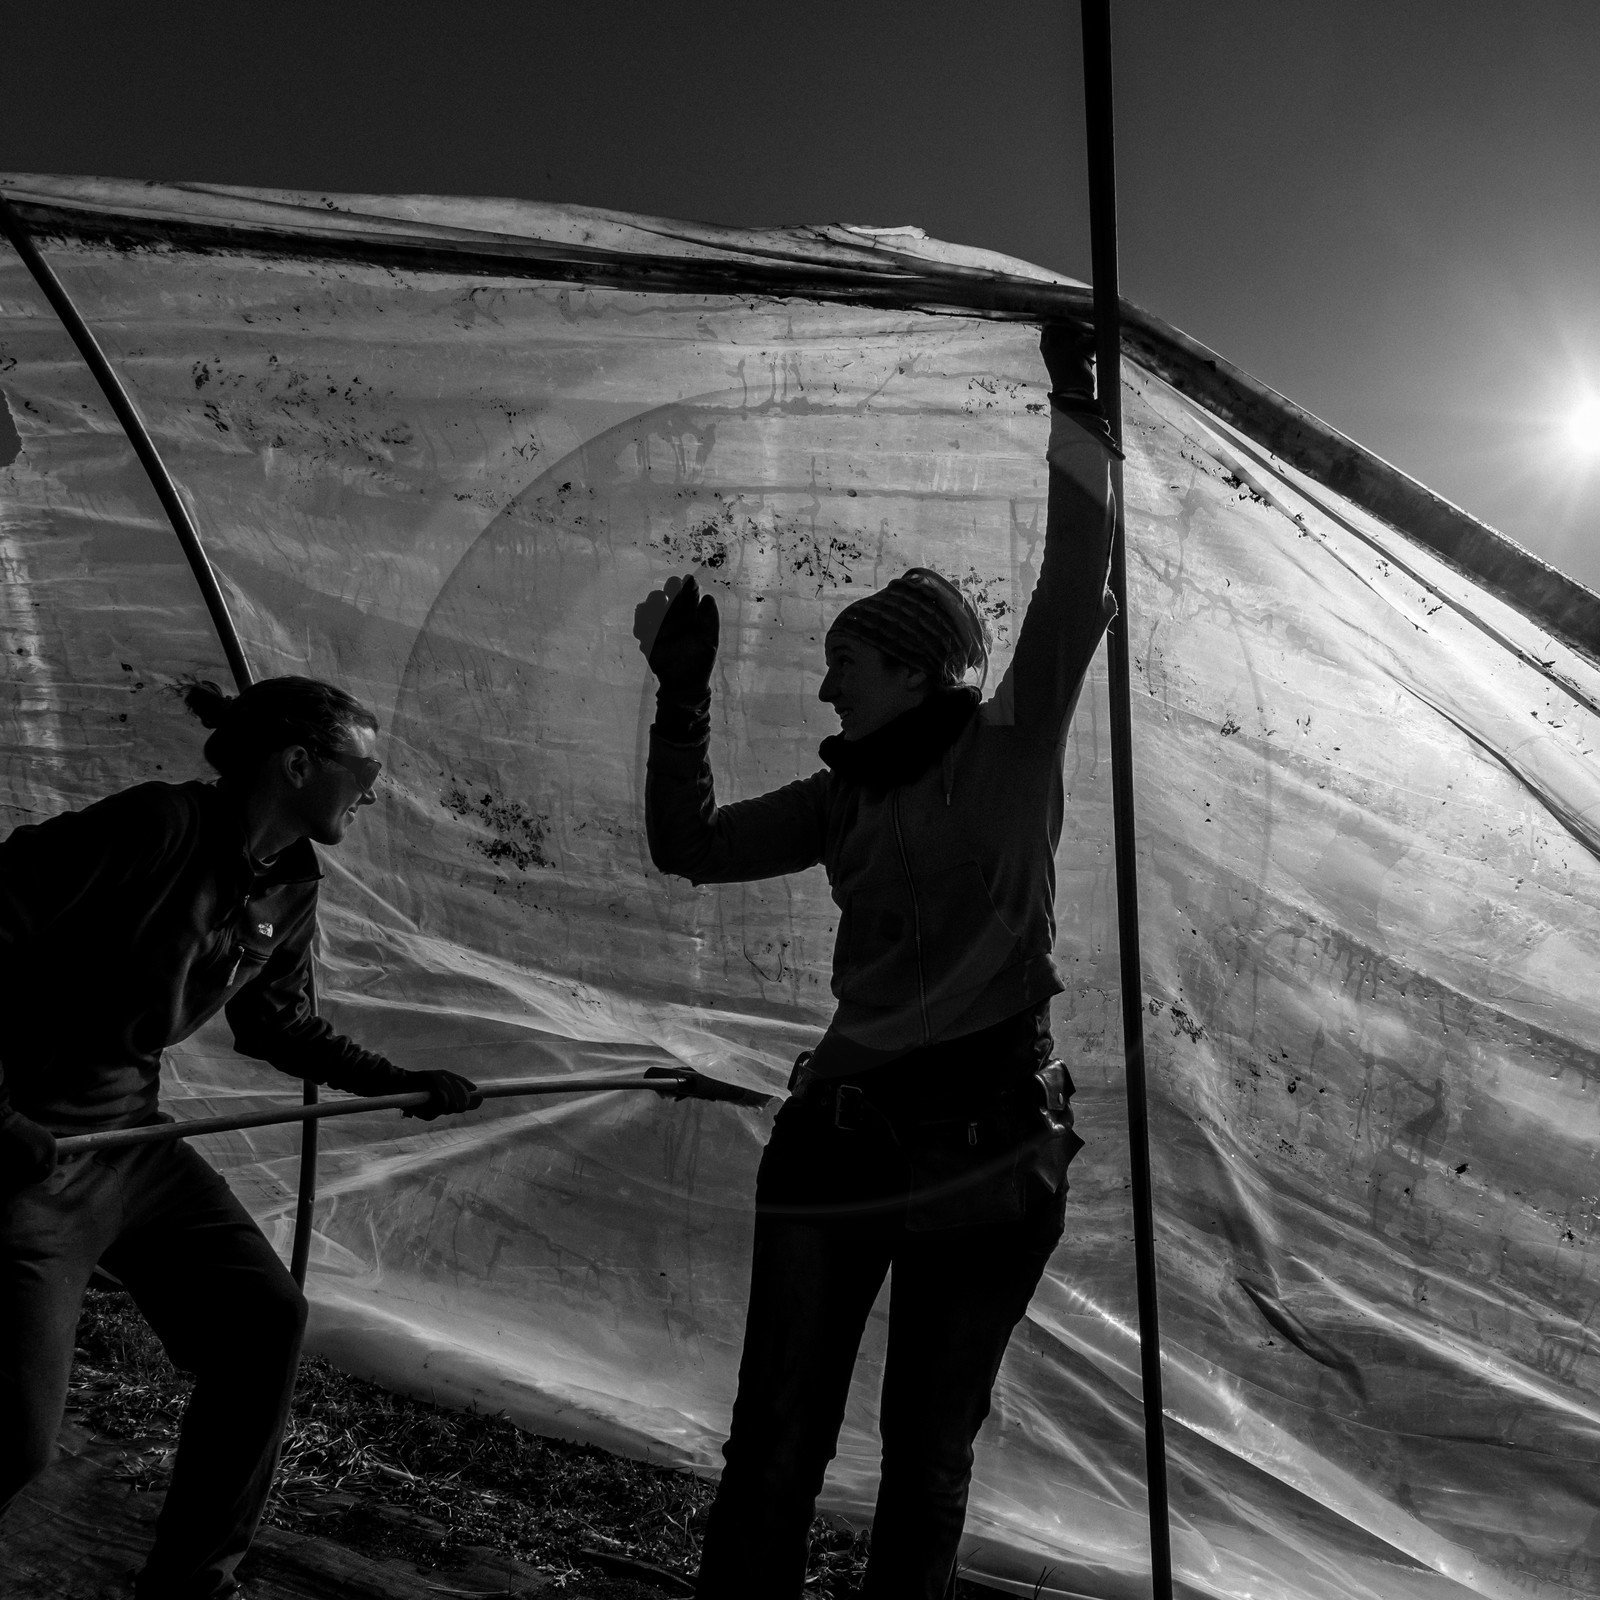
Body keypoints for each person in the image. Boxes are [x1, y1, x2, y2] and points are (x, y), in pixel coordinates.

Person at [636, 325, 1118, 1599]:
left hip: (989, 1145)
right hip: (841, 1138)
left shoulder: (1010, 749)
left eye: (842, 661)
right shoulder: (838, 799)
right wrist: (681, 690)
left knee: (925, 1454)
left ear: (910, 671)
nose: (823, 687)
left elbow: (1075, 584)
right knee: (778, 1433)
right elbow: (687, 845)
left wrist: (1075, 402)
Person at [0, 675, 481, 1600]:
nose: (374, 793)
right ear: (298, 764)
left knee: (264, 1321)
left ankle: (193, 1583)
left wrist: (399, 1083)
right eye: (364, 771)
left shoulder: (291, 885)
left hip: (128, 1142)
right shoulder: (155, 829)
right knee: (15, 1438)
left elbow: (274, 1025)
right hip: (31, 1151)